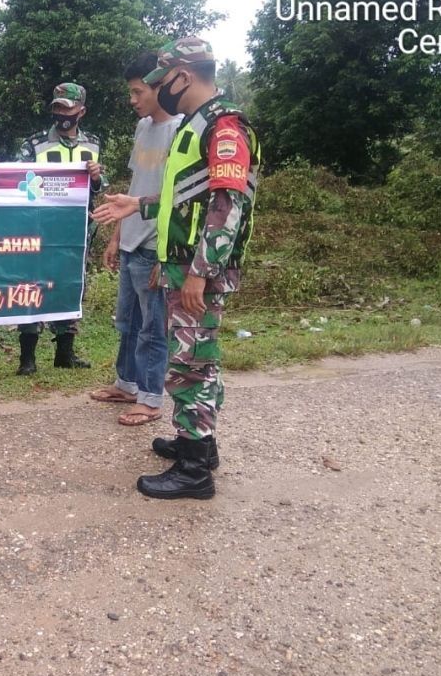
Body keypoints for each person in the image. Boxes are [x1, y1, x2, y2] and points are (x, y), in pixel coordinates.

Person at [92, 37, 260, 500]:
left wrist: (200, 273)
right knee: (195, 360)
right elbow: (185, 198)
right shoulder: (196, 125)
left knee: (190, 366)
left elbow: (227, 206)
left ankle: (194, 472)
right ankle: (198, 446)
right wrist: (138, 204)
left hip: (197, 270)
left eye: (161, 80)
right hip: (183, 265)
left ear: (184, 76)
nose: (158, 89)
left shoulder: (225, 128)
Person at [90, 52, 178, 427]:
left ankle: (151, 397)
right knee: (127, 323)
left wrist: (165, 251)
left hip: (156, 246)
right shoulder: (144, 128)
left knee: (152, 328)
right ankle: (126, 384)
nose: (133, 99)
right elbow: (134, 189)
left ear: (159, 86)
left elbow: (180, 198)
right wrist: (115, 238)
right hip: (131, 244)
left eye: (137, 91)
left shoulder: (180, 130)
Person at [15, 82, 105, 375]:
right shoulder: (34, 144)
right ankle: (27, 358)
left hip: (77, 231)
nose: (62, 113)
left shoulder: (92, 144)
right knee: (32, 286)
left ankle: (65, 353)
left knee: (72, 286)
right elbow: (17, 183)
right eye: (57, 107)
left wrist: (95, 177)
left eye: (67, 108)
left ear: (82, 111)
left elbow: (96, 191)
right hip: (39, 229)